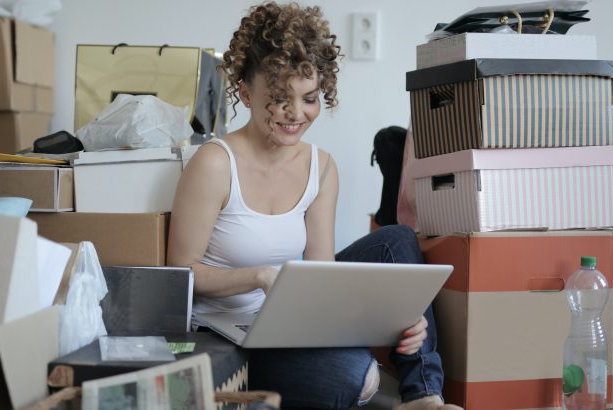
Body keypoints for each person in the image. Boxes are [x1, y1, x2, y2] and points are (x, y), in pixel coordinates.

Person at [167, 3, 461, 409]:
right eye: (279, 98)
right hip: (230, 331)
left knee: (396, 241)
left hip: (292, 319)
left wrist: (397, 317)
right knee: (358, 378)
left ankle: (424, 395)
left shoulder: (320, 167)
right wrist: (260, 277)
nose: (296, 114)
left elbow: (323, 276)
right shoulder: (215, 163)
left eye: (309, 99)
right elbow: (182, 272)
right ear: (246, 91)